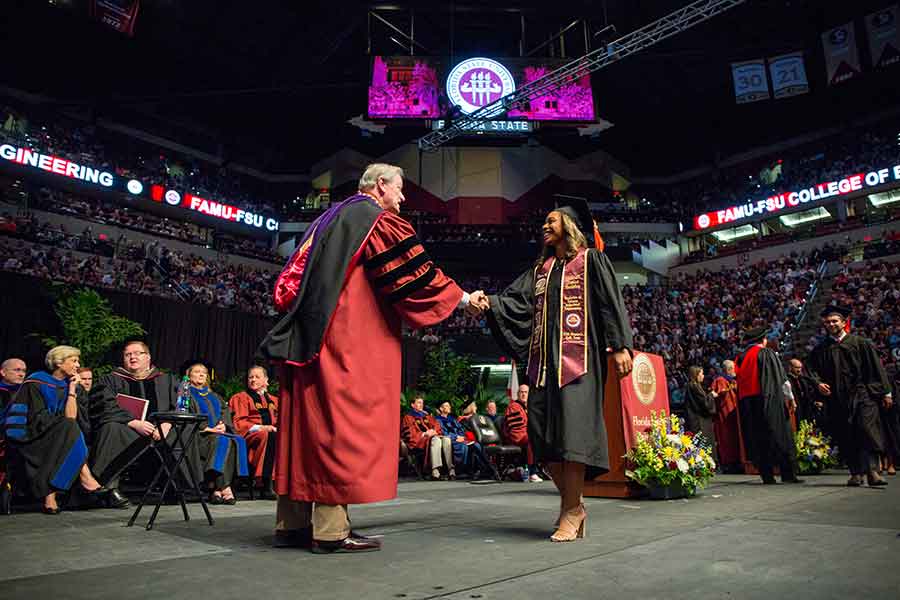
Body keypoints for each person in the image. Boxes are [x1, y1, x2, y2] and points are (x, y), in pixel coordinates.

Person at [258, 163, 480, 554]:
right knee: (338, 428)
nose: (403, 198)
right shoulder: (374, 220)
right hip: (346, 339)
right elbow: (417, 277)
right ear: (380, 185)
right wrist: (463, 298)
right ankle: (330, 531)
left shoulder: (326, 219)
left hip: (309, 338)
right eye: (399, 189)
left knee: (305, 428)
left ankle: (291, 524)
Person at [479, 198, 634, 542]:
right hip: (542, 365)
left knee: (572, 436)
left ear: (569, 224)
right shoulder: (541, 270)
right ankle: (574, 506)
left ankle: (570, 510)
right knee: (542, 437)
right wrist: (486, 302)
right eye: (544, 222)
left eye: (552, 221)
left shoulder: (592, 261)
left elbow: (610, 302)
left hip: (579, 363)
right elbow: (513, 302)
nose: (545, 226)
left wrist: (621, 345)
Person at [3, 346, 107, 514]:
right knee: (68, 432)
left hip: (60, 432)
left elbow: (72, 417)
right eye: (73, 361)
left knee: (69, 429)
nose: (77, 365)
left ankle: (50, 497)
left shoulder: (72, 385)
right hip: (32, 435)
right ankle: (85, 478)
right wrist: (59, 422)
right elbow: (36, 419)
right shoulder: (36, 382)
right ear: (59, 362)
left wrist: (72, 390)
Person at [88, 340, 182, 508]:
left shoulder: (168, 380)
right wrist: (133, 422)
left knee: (184, 431)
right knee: (111, 428)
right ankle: (107, 488)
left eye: (138, 353)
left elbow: (180, 405)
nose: (133, 357)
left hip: (162, 429)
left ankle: (175, 487)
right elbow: (103, 406)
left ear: (148, 357)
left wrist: (167, 423)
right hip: (128, 428)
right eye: (128, 354)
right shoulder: (110, 380)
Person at [807, 305, 892, 487]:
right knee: (846, 434)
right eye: (828, 322)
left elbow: (876, 368)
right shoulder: (821, 349)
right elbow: (811, 370)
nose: (831, 324)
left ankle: (873, 472)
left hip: (862, 394)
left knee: (866, 430)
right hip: (838, 398)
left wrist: (886, 392)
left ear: (844, 323)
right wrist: (818, 384)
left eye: (835, 321)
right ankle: (856, 473)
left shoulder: (860, 343)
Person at [735, 327, 801, 485]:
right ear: (763, 340)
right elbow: (781, 379)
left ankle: (767, 475)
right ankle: (788, 474)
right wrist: (790, 397)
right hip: (768, 399)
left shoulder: (740, 357)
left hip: (749, 404)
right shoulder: (766, 353)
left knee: (759, 438)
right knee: (780, 434)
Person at [185, 362, 248, 505]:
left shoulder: (214, 395)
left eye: (204, 372)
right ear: (189, 376)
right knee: (222, 441)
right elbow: (185, 416)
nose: (201, 374)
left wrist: (223, 425)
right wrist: (207, 428)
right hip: (198, 436)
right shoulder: (185, 394)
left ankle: (216, 489)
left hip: (216, 434)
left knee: (236, 440)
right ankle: (225, 488)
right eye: (196, 371)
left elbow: (225, 412)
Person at [229, 365, 278, 499]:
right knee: (268, 435)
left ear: (266, 380)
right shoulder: (240, 398)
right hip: (250, 436)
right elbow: (238, 423)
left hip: (271, 434)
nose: (253, 380)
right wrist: (261, 427)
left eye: (257, 377)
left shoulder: (274, 400)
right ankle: (266, 483)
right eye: (251, 377)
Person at [402, 396, 454, 480]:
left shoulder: (426, 416)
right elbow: (409, 434)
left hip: (432, 437)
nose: (421, 405)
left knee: (447, 440)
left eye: (422, 403)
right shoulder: (408, 417)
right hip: (419, 440)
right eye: (418, 402)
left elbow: (436, 425)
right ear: (412, 405)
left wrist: (434, 431)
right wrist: (425, 433)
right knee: (436, 440)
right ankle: (435, 471)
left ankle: (450, 470)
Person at [435, 401, 490, 478]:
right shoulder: (438, 420)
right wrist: (456, 437)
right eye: (447, 406)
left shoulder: (452, 419)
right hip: (451, 439)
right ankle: (460, 470)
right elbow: (443, 432)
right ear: (441, 408)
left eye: (449, 405)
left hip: (461, 438)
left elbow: (461, 429)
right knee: (463, 446)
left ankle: (483, 469)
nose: (449, 407)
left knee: (476, 445)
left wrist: (462, 437)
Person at [503, 384, 542, 482]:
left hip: (526, 434)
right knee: (532, 439)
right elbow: (516, 428)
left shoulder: (529, 407)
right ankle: (532, 472)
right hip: (516, 436)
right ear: (517, 394)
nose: (524, 394)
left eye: (526, 392)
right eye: (521, 392)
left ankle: (544, 469)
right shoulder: (514, 407)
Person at [710, 360, 741, 472]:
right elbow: (717, 397)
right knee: (727, 440)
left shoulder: (733, 380)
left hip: (733, 414)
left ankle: (737, 461)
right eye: (733, 369)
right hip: (724, 416)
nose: (735, 371)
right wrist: (727, 390)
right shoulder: (720, 380)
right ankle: (729, 464)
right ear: (728, 369)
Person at [682, 366, 717, 459]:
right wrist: (711, 395)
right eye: (701, 373)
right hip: (698, 420)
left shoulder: (693, 385)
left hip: (695, 418)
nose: (703, 376)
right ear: (696, 375)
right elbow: (704, 403)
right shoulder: (694, 386)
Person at [787, 359, 824, 428]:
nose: (799, 370)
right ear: (790, 367)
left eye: (800, 367)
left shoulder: (804, 379)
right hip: (796, 411)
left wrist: (814, 402)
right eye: (796, 367)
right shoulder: (787, 381)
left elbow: (809, 394)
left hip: (807, 410)